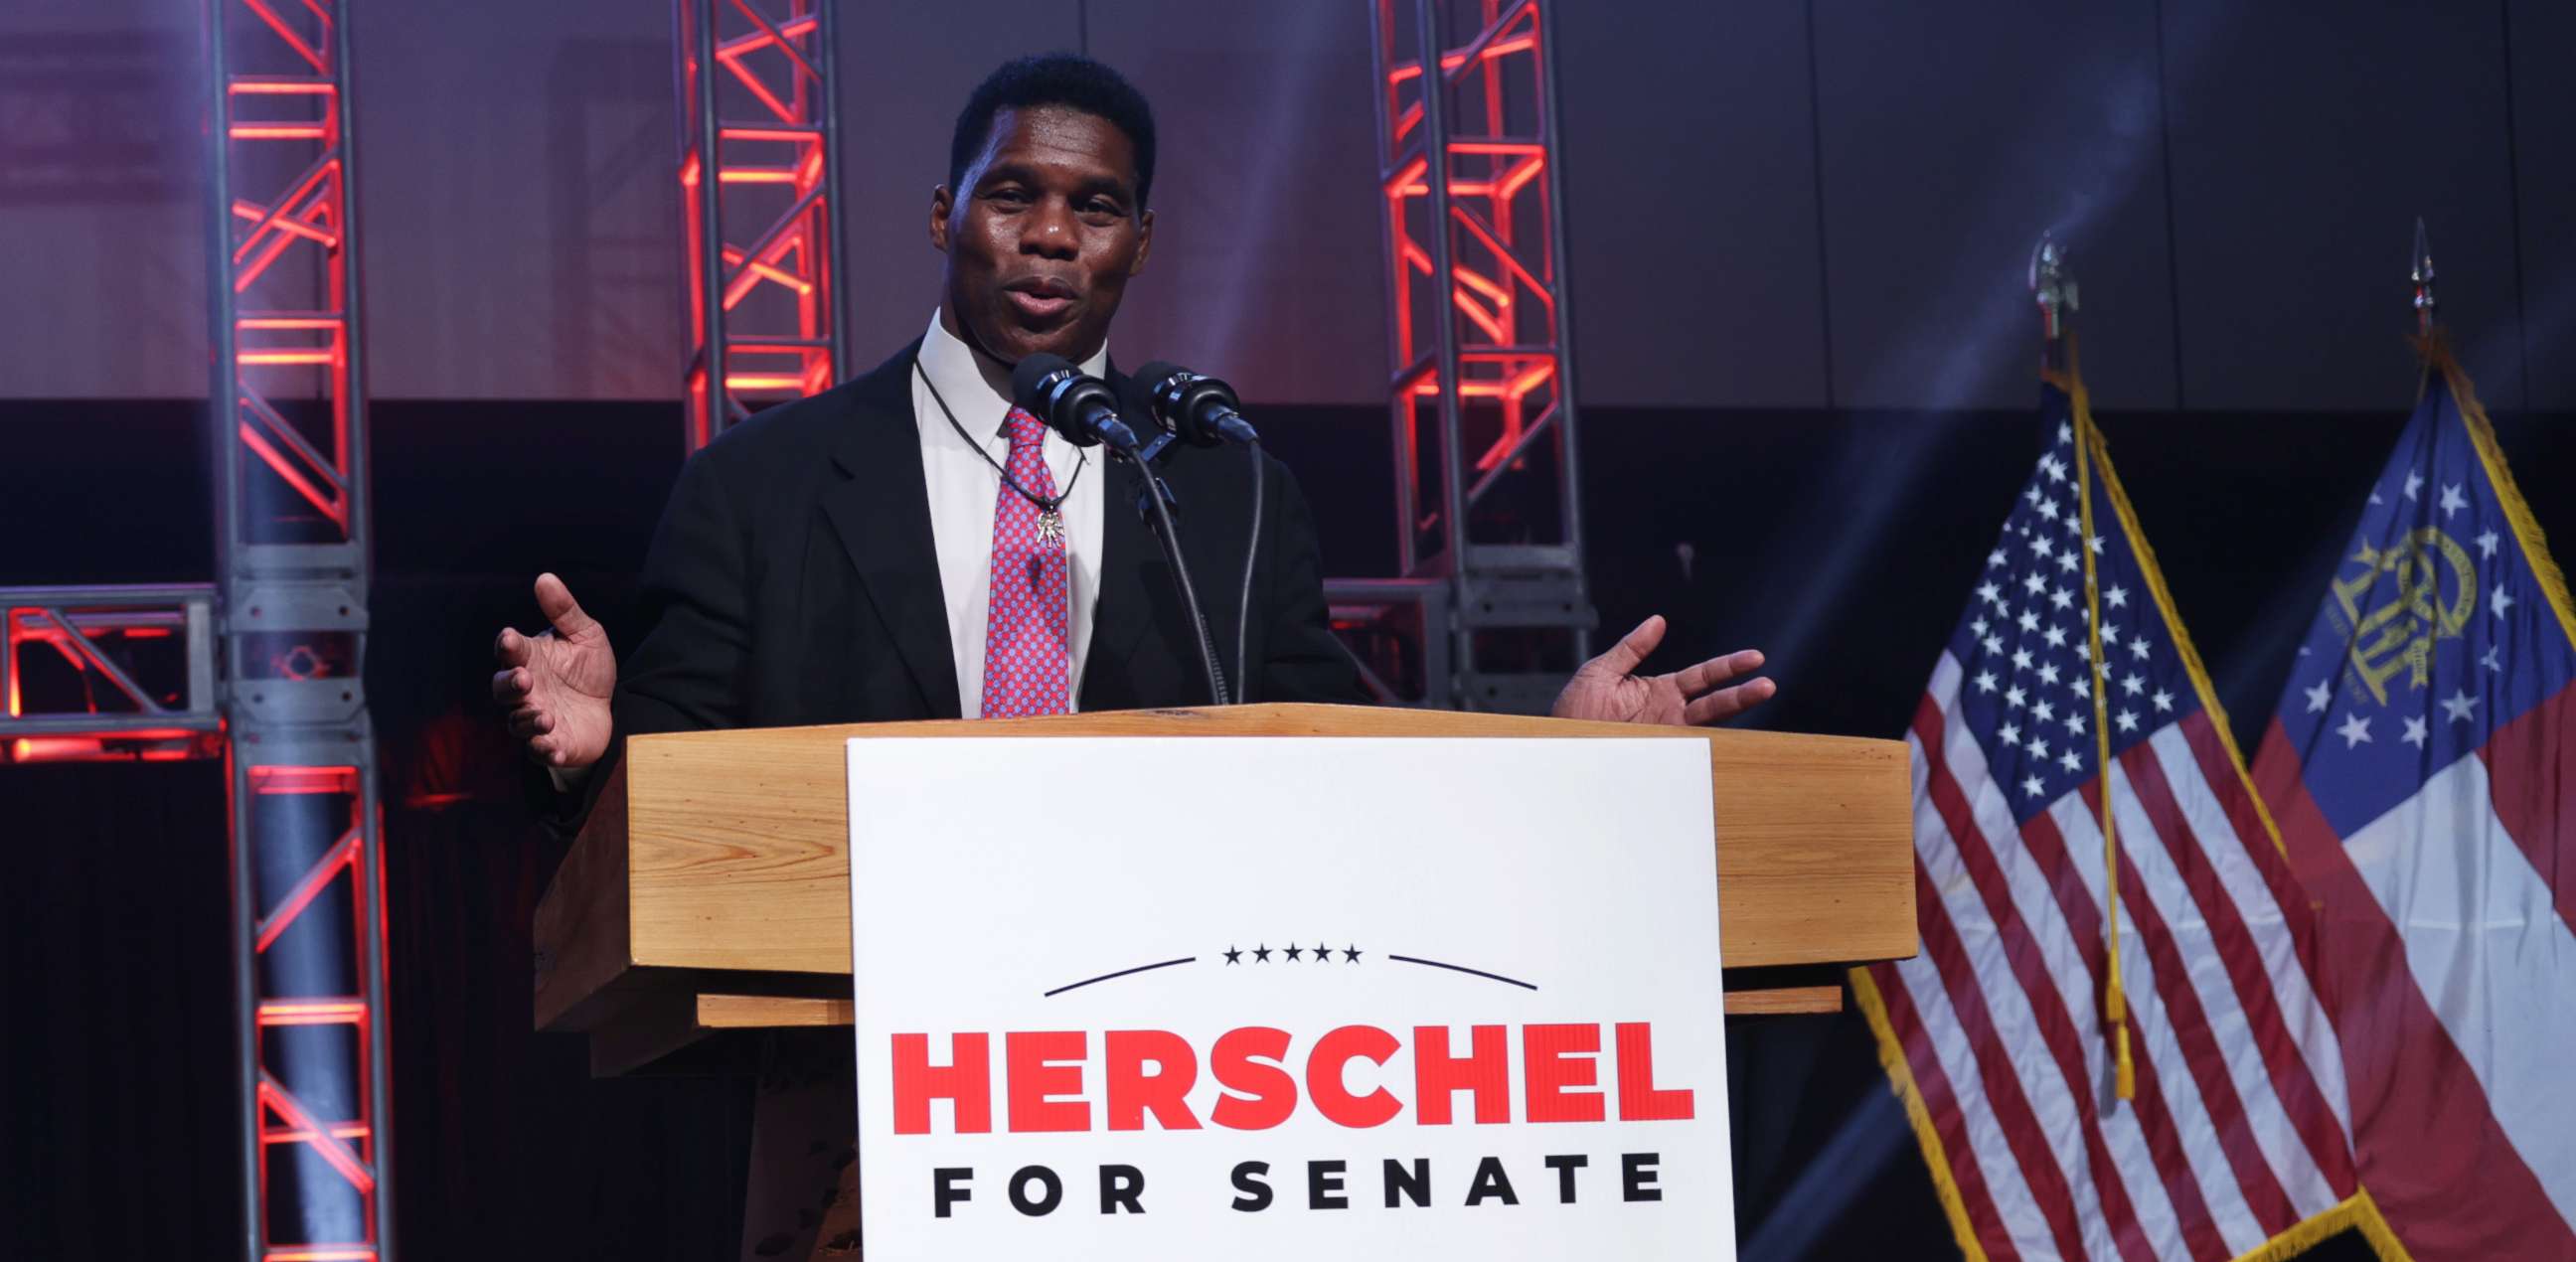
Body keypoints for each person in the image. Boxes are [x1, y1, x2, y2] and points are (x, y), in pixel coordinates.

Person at [494, 54, 1773, 782]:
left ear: (1141, 242)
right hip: (840, 1073)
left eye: (1094, 208)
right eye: (1014, 196)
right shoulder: (757, 489)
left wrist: (1558, 760)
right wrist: (601, 747)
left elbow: (1331, 755)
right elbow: (673, 789)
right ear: (947, 215)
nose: (1050, 237)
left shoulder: (1223, 487)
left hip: (1134, 1085)